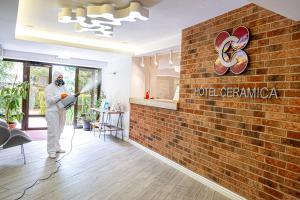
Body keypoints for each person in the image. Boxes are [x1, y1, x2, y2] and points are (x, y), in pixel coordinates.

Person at [45, 71, 69, 159]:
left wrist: (71, 100)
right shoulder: (49, 87)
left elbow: (68, 96)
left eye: (62, 77)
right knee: (53, 131)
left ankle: (57, 148)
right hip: (52, 112)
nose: (61, 79)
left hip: (62, 111)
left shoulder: (63, 87)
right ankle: (51, 151)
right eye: (59, 77)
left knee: (59, 130)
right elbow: (49, 100)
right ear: (55, 77)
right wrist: (60, 96)